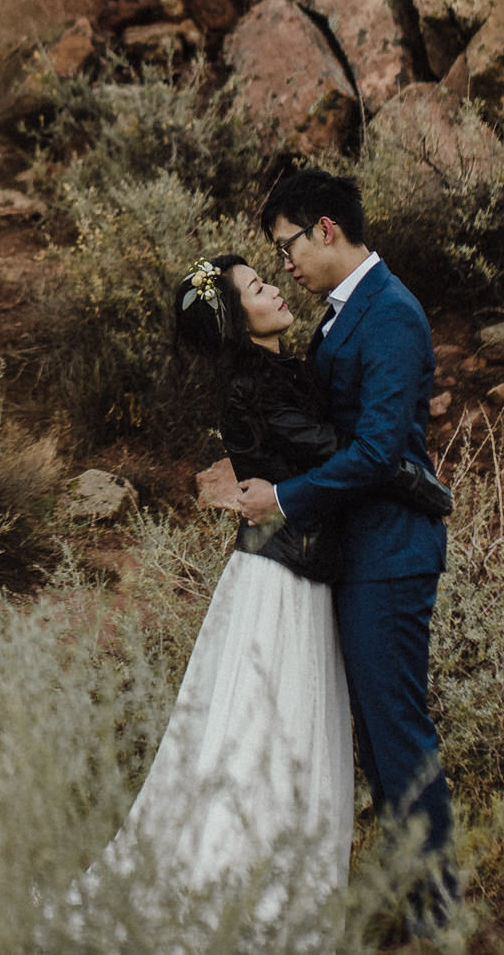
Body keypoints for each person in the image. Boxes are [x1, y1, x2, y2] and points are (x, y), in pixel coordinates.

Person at [66, 253, 358, 939]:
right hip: (279, 581)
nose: (276, 288)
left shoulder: (282, 370)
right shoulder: (254, 387)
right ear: (237, 318)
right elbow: (343, 450)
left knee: (280, 727)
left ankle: (282, 886)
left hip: (291, 571)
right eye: (258, 287)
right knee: (264, 729)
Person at [235, 167, 458, 934]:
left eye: (288, 244)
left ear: (326, 227)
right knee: (378, 739)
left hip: (392, 555)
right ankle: (416, 896)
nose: (285, 263)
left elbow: (376, 450)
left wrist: (284, 499)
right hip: (357, 552)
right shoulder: (337, 318)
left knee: (398, 735)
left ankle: (440, 915)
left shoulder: (390, 313)